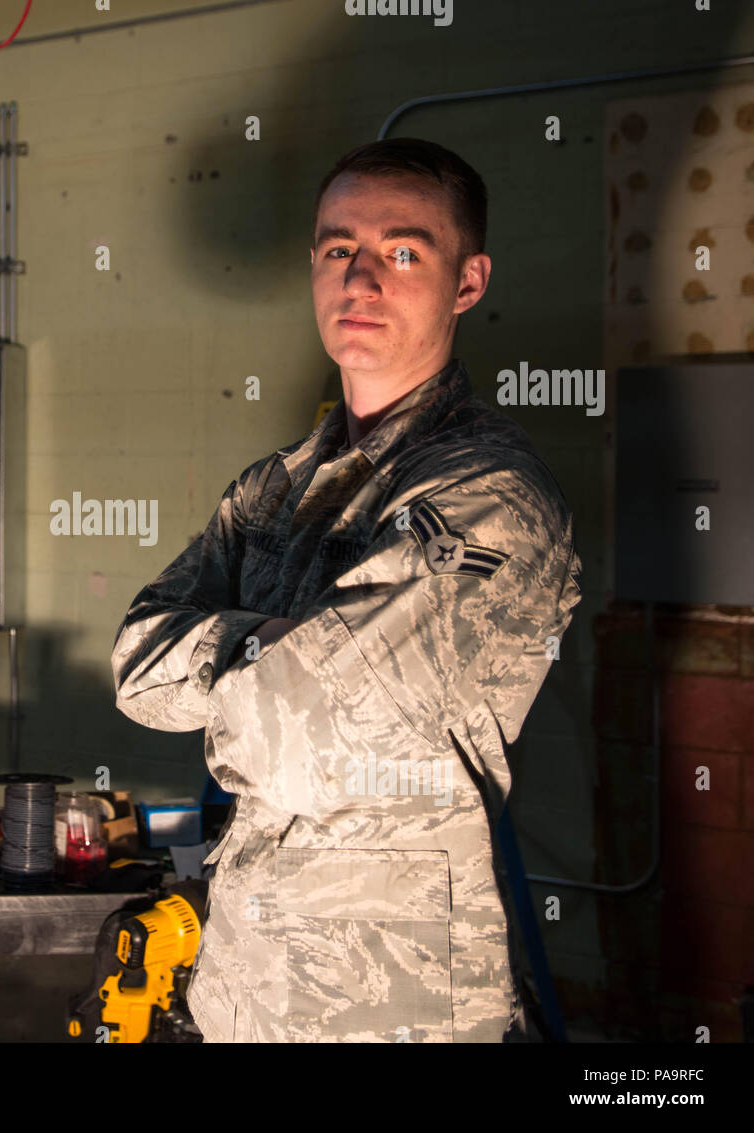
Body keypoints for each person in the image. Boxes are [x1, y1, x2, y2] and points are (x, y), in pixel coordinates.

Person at [110, 137, 583, 1043]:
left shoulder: (491, 496)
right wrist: (285, 652)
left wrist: (230, 656)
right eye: (338, 250)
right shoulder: (276, 486)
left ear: (469, 281)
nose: (360, 280)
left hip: (391, 1003)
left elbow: (296, 737)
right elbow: (135, 663)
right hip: (246, 980)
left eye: (403, 252)